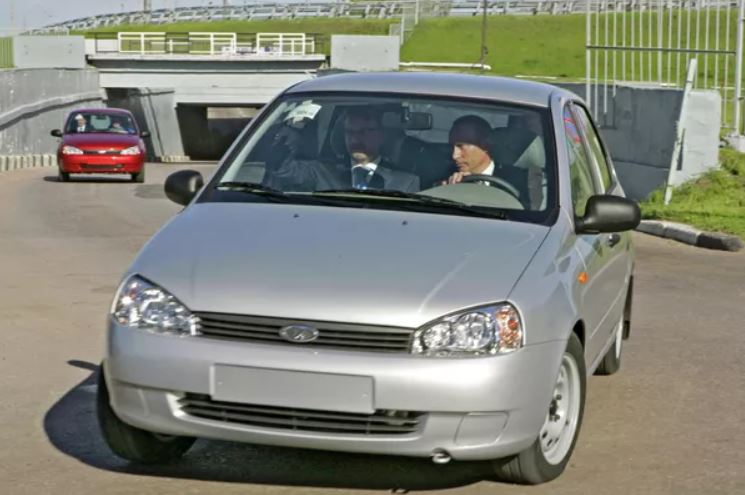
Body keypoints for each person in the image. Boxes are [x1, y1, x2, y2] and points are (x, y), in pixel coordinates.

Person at [265, 106, 420, 193]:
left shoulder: (405, 182)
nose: (355, 139)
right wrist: (293, 131)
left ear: (381, 135)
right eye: (349, 132)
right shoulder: (321, 171)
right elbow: (283, 169)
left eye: (364, 132)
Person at [442, 115, 541, 208]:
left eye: (461, 146)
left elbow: (528, 215)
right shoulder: (446, 177)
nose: (454, 156)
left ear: (485, 145)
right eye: (451, 147)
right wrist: (450, 192)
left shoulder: (522, 179)